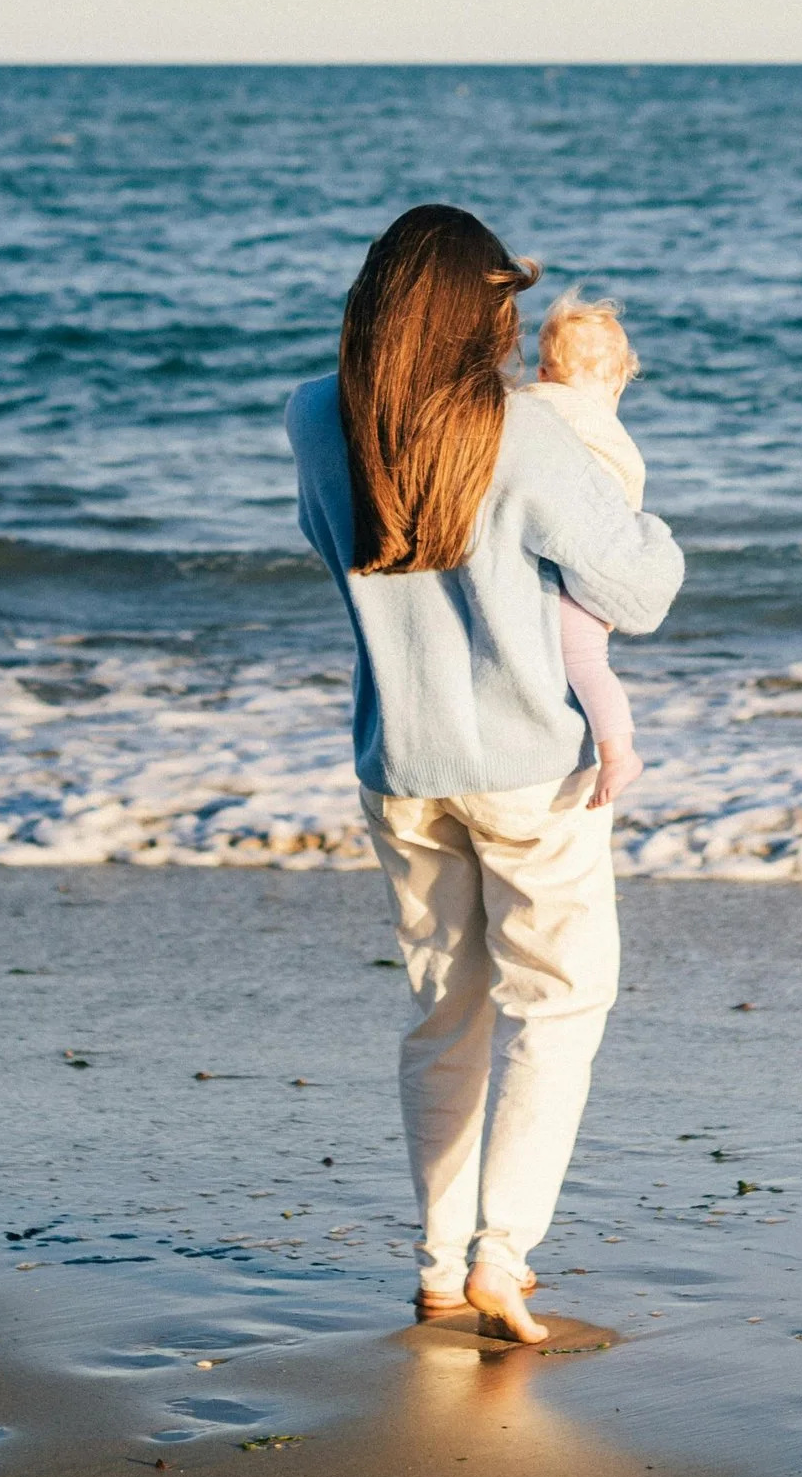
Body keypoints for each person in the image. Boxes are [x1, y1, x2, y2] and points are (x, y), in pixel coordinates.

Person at [285, 206, 683, 1346]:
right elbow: (641, 591)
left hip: (399, 761)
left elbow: (331, 542)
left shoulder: (315, 414)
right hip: (524, 770)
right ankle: (501, 1252)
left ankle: (434, 1264)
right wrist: (606, 447)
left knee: (443, 1011)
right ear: (481, 311)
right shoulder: (527, 429)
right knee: (557, 1005)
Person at [526, 292, 649, 809]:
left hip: (553, 562)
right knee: (585, 660)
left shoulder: (531, 407)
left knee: (574, 660)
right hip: (588, 564)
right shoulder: (610, 436)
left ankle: (614, 751)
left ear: (544, 372)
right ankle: (615, 751)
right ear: (620, 379)